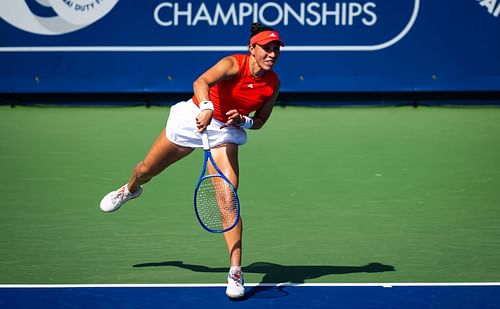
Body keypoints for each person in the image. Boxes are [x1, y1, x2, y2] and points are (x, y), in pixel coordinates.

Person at [99, 23, 284, 299]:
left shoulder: (273, 85)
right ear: (252, 49)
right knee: (146, 169)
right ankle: (130, 189)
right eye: (266, 48)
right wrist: (207, 108)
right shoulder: (233, 64)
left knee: (227, 200)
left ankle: (235, 271)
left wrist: (243, 119)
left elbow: (260, 121)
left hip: (224, 132)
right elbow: (201, 82)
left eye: (276, 49)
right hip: (195, 117)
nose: (272, 54)